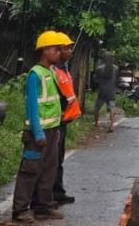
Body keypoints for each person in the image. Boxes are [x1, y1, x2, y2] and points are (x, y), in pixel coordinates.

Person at [12, 31, 70, 223]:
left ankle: (43, 207)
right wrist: (38, 132)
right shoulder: (35, 75)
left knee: (48, 171)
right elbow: (32, 108)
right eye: (56, 49)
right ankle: (20, 210)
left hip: (52, 131)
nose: (59, 53)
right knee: (30, 171)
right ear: (45, 50)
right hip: (38, 133)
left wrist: (57, 130)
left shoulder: (51, 72)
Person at [50, 33, 81, 207]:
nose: (70, 50)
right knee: (51, 160)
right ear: (59, 50)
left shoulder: (64, 68)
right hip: (54, 120)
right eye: (67, 48)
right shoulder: (53, 70)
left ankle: (57, 192)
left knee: (58, 159)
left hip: (63, 120)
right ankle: (47, 197)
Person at [93, 52, 119, 132]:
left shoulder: (99, 68)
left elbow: (95, 79)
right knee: (112, 108)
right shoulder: (115, 68)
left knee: (97, 108)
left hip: (102, 91)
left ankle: (96, 123)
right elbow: (116, 80)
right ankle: (111, 126)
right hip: (111, 91)